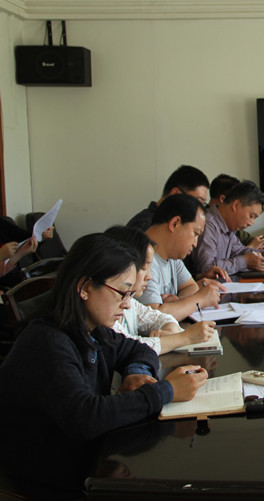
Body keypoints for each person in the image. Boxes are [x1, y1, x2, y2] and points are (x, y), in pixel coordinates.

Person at [0, 233, 208, 483]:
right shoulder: (47, 343)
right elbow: (86, 417)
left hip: (80, 456)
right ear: (85, 287)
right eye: (122, 293)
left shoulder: (93, 330)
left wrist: (137, 373)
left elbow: (138, 350)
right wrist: (166, 391)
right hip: (42, 474)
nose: (127, 305)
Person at [105, 226, 217, 355]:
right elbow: (129, 347)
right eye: (144, 268)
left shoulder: (131, 303)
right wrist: (185, 337)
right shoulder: (106, 314)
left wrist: (170, 332)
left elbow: (163, 318)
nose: (149, 276)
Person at [139, 194, 222, 321]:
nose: (195, 243)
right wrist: (199, 300)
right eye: (195, 233)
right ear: (175, 223)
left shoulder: (171, 255)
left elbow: (191, 287)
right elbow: (153, 318)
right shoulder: (141, 257)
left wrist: (177, 303)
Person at [192, 181, 264, 278]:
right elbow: (207, 268)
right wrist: (244, 262)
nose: (251, 223)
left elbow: (240, 251)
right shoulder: (208, 224)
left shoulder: (228, 227)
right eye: (251, 216)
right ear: (236, 205)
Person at [127, 165, 209, 232]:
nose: (200, 210)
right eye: (198, 202)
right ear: (176, 194)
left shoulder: (172, 224)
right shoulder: (145, 226)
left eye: (203, 204)